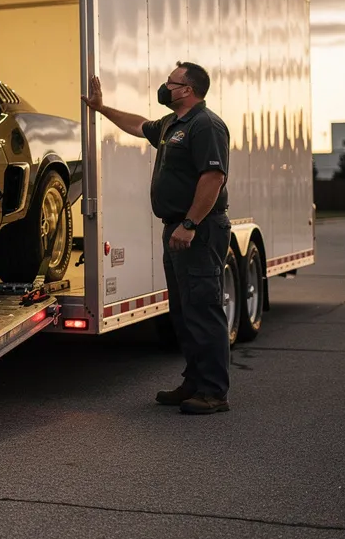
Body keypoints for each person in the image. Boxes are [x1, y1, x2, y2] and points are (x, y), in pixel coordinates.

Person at [83, 61, 233, 415]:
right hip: (177, 229)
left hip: (200, 230)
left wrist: (191, 224)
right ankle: (194, 382)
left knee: (203, 309)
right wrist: (102, 108)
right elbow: (138, 125)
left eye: (171, 82)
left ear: (188, 90)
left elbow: (213, 178)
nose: (165, 87)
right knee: (183, 311)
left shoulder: (206, 125)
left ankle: (214, 392)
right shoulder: (172, 124)